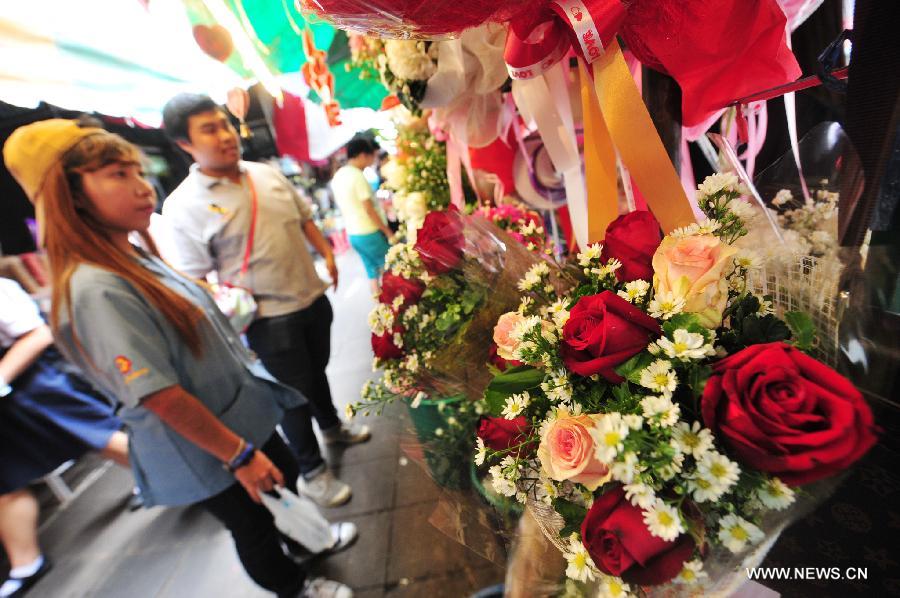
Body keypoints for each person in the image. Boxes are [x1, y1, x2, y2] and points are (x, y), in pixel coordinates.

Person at [3, 118, 354, 598]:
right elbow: (158, 394)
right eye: (117, 174)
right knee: (253, 526)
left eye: (137, 171)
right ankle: (296, 587)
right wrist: (238, 454)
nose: (142, 187)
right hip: (208, 445)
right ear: (73, 197)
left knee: (281, 487)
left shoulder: (127, 254)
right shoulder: (93, 288)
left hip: (236, 420)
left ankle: (309, 545)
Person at [160, 94, 369, 507]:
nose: (224, 136)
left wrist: (326, 253)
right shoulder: (183, 206)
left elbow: (304, 217)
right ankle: (312, 471)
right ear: (184, 144)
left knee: (317, 373)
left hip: (312, 299)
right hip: (268, 320)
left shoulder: (266, 174)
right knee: (292, 397)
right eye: (209, 129)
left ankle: (331, 427)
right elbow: (196, 280)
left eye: (224, 124)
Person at [0, 277, 130, 598]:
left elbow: (37, 333)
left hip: (34, 382)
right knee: (6, 482)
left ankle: (187, 476)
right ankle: (26, 562)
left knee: (101, 438)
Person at [330, 138, 393, 294]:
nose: (372, 160)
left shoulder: (339, 175)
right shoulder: (357, 176)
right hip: (369, 233)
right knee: (392, 268)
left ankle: (381, 312)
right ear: (363, 155)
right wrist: (387, 232)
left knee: (372, 273)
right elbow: (369, 210)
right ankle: (399, 307)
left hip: (353, 234)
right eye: (372, 156)